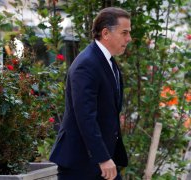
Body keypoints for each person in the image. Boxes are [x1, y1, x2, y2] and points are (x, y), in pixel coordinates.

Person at [49, 7, 132, 180]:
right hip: (80, 163)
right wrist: (102, 158)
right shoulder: (87, 64)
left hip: (99, 161)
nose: (129, 38)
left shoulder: (106, 61)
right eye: (124, 33)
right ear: (106, 33)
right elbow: (85, 116)